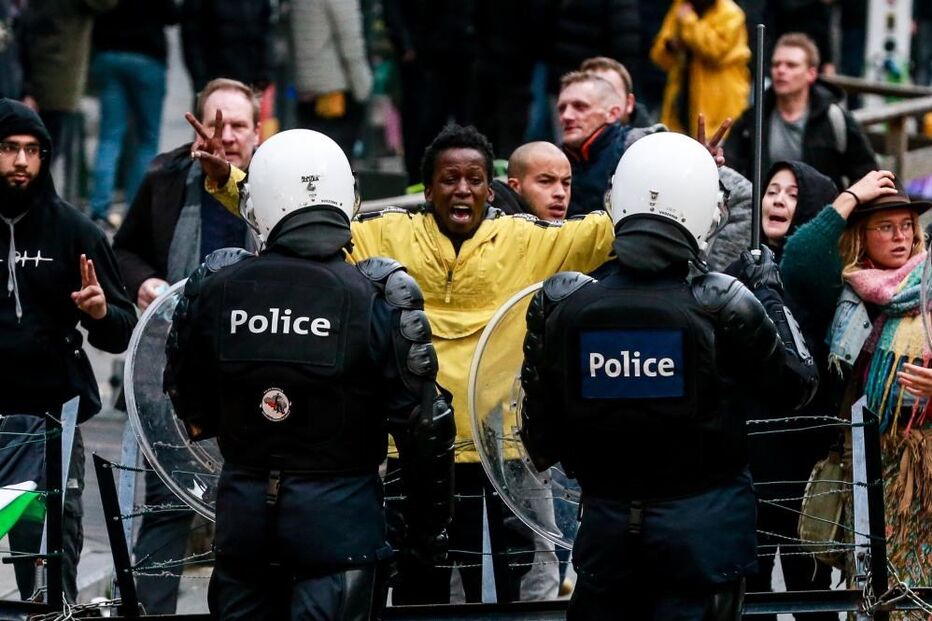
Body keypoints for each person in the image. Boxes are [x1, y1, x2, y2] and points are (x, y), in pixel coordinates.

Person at [194, 119, 616, 603]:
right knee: (422, 593)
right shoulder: (388, 233)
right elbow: (301, 215)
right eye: (449, 179)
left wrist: (687, 185)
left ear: (491, 191)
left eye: (474, 180)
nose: (462, 190)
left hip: (508, 457)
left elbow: (605, 231)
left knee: (527, 591)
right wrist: (230, 181)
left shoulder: (532, 240)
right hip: (413, 456)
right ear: (428, 191)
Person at [519, 132, 817, 620]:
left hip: (606, 536)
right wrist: (768, 291)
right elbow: (797, 384)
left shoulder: (564, 302)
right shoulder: (721, 301)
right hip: (704, 541)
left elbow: (541, 440)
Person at [163, 128, 455, 620]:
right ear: (348, 197)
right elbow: (424, 427)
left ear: (259, 204)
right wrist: (426, 536)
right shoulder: (376, 296)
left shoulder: (216, 286)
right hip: (341, 529)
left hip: (244, 525)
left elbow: (187, 396)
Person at [112, 77, 259, 615]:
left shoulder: (274, 184)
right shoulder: (166, 176)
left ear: (258, 132)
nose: (225, 137)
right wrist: (146, 282)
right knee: (166, 507)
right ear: (194, 126)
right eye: (214, 123)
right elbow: (124, 251)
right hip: (175, 376)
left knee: (249, 513)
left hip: (258, 375)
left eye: (238, 125)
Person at [0, 97, 136, 602]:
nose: (21, 162)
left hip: (50, 426)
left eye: (33, 151)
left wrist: (99, 311)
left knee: (49, 570)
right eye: (10, 148)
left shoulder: (75, 232)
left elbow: (123, 332)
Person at [780, 170, 932, 594]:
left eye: (907, 226)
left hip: (926, 470)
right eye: (885, 226)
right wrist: (849, 197)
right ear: (861, 237)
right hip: (868, 465)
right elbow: (799, 259)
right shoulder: (849, 292)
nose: (901, 236)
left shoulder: (930, 288)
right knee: (872, 588)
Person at [744, 161, 840, 620]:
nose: (777, 199)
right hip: (750, 465)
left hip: (806, 465)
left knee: (811, 590)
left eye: (792, 194)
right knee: (752, 592)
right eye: (772, 190)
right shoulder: (739, 269)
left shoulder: (823, 284)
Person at [724, 32, 877, 191]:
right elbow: (730, 166)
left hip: (824, 213)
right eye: (776, 64)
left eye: (791, 65)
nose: (781, 70)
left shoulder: (834, 118)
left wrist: (846, 206)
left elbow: (867, 173)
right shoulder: (753, 119)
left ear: (811, 74)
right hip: (768, 212)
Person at [88, 0, 180, 228]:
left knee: (109, 136)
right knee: (147, 138)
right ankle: (135, 209)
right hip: (147, 58)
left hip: (109, 54)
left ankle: (100, 208)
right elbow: (172, 14)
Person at [649, 0, 750, 138]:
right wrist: (671, 47)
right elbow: (658, 55)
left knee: (718, 151)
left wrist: (688, 21)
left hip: (720, 104)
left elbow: (714, 51)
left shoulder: (731, 13)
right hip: (683, 99)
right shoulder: (681, 5)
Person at [289, 0, 372, 156]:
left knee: (311, 158)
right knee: (338, 159)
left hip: (306, 89)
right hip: (336, 89)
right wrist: (363, 88)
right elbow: (351, 43)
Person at [180, 0, 272, 93]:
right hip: (214, 75)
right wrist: (200, 79)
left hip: (249, 76)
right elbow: (192, 37)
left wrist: (265, 71)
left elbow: (266, 34)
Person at [492, 141, 572, 221]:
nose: (561, 193)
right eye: (545, 181)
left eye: (566, 183)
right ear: (515, 187)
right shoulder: (495, 229)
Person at [579, 56, 652, 128]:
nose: (599, 107)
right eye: (589, 97)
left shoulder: (654, 139)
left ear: (629, 103)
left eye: (609, 96)